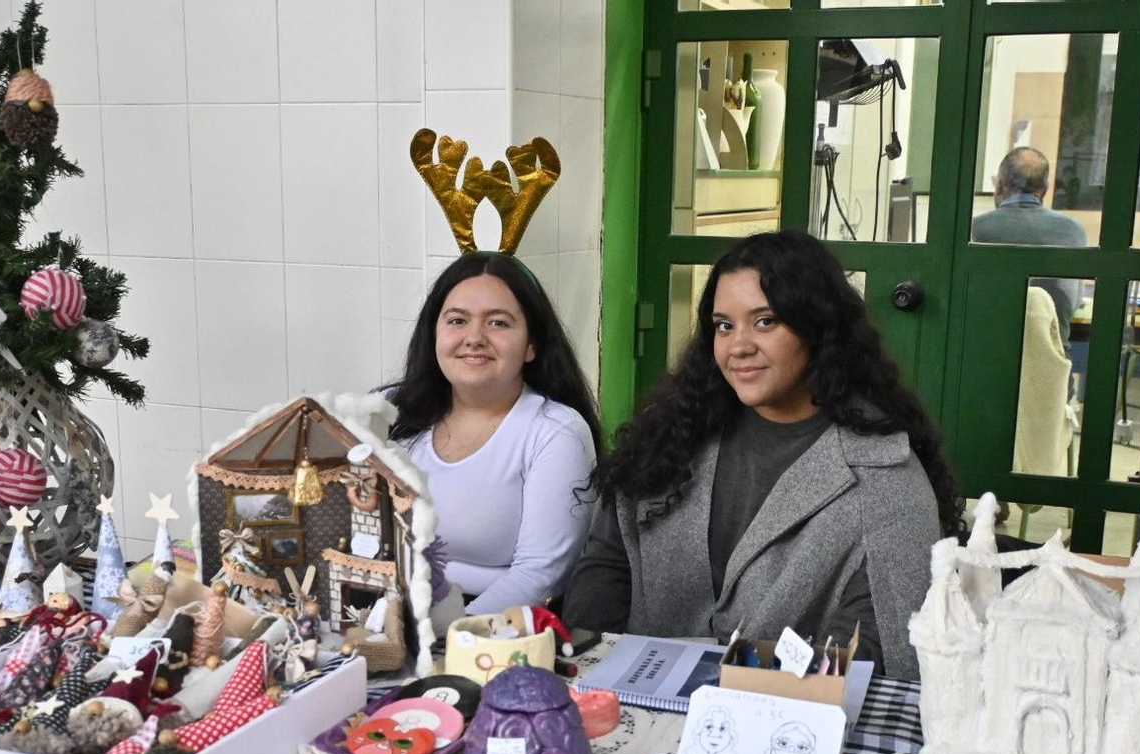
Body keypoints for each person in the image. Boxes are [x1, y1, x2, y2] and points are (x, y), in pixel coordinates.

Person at [564, 230, 960, 679]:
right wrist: (597, 668)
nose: (739, 346)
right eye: (724, 325)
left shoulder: (886, 473)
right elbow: (607, 562)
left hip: (786, 706)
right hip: (631, 694)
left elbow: (871, 643)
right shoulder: (672, 432)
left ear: (819, 327)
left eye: (765, 321)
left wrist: (733, 690)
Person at [386, 252, 603, 615]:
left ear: (531, 344)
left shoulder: (557, 432)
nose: (474, 338)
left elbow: (540, 576)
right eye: (457, 320)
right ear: (434, 333)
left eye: (498, 323)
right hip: (388, 610)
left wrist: (452, 636)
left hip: (495, 626)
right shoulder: (392, 410)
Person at [971, 146, 1088, 345]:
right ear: (1045, 190)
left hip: (987, 353)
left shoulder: (973, 230)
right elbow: (1074, 303)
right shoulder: (1074, 230)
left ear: (999, 186)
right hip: (1051, 358)